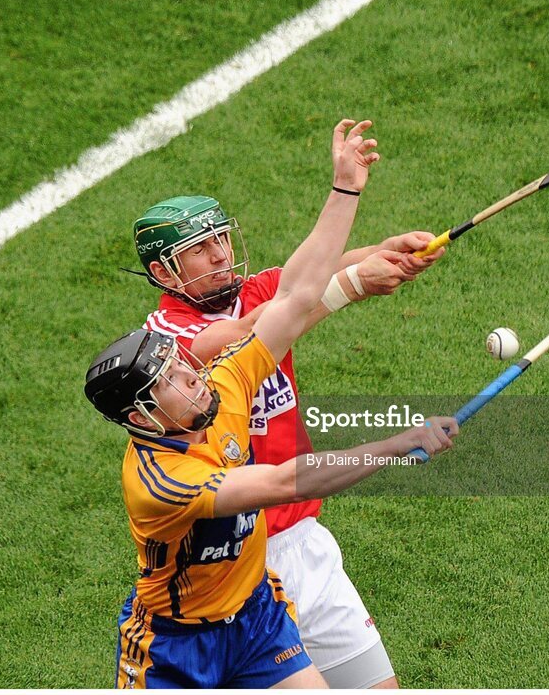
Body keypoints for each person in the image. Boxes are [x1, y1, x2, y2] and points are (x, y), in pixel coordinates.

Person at [85, 118, 459, 688]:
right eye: (199, 249)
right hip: (229, 561)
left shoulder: (235, 348)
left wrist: (380, 252)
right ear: (163, 271)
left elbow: (296, 285)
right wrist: (356, 277)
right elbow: (279, 311)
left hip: (298, 546)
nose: (218, 256)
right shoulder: (167, 347)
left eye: (220, 240)